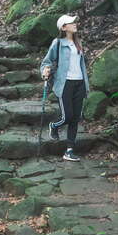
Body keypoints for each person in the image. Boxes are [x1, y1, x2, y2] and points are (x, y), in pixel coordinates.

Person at [40, 14, 90, 161]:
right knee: (67, 116)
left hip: (79, 83)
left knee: (75, 118)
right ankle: (54, 126)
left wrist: (86, 84)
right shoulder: (58, 43)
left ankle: (69, 150)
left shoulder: (78, 42)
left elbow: (81, 65)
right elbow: (47, 61)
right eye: (71, 22)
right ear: (63, 27)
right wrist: (46, 70)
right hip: (65, 84)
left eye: (74, 22)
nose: (75, 24)